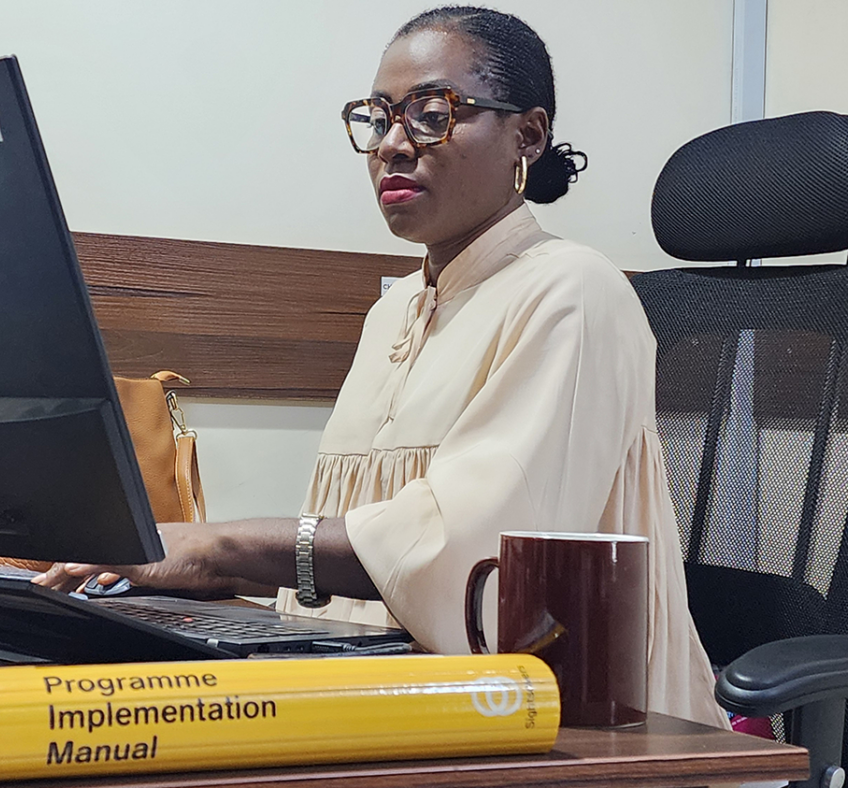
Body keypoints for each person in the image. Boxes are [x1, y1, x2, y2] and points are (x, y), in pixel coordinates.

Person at [36, 5, 726, 728]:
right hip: (390, 695)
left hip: (575, 727)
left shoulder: (574, 291)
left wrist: (224, 542)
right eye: (378, 117)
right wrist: (204, 569)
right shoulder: (393, 312)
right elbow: (360, 544)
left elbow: (476, 566)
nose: (393, 144)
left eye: (433, 114)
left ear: (527, 134)